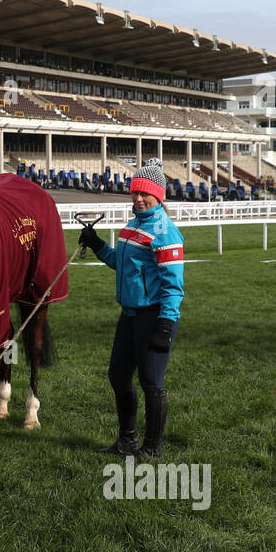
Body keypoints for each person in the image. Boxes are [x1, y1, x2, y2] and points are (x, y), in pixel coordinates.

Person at [78, 158, 184, 458]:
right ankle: (127, 441)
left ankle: (151, 449)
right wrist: (97, 244)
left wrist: (166, 324)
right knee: (118, 376)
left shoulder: (165, 231)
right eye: (134, 192)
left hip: (154, 317)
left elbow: (173, 286)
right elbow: (121, 264)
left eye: (144, 194)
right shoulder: (133, 224)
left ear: (158, 196)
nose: (138, 198)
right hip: (129, 315)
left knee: (152, 383)